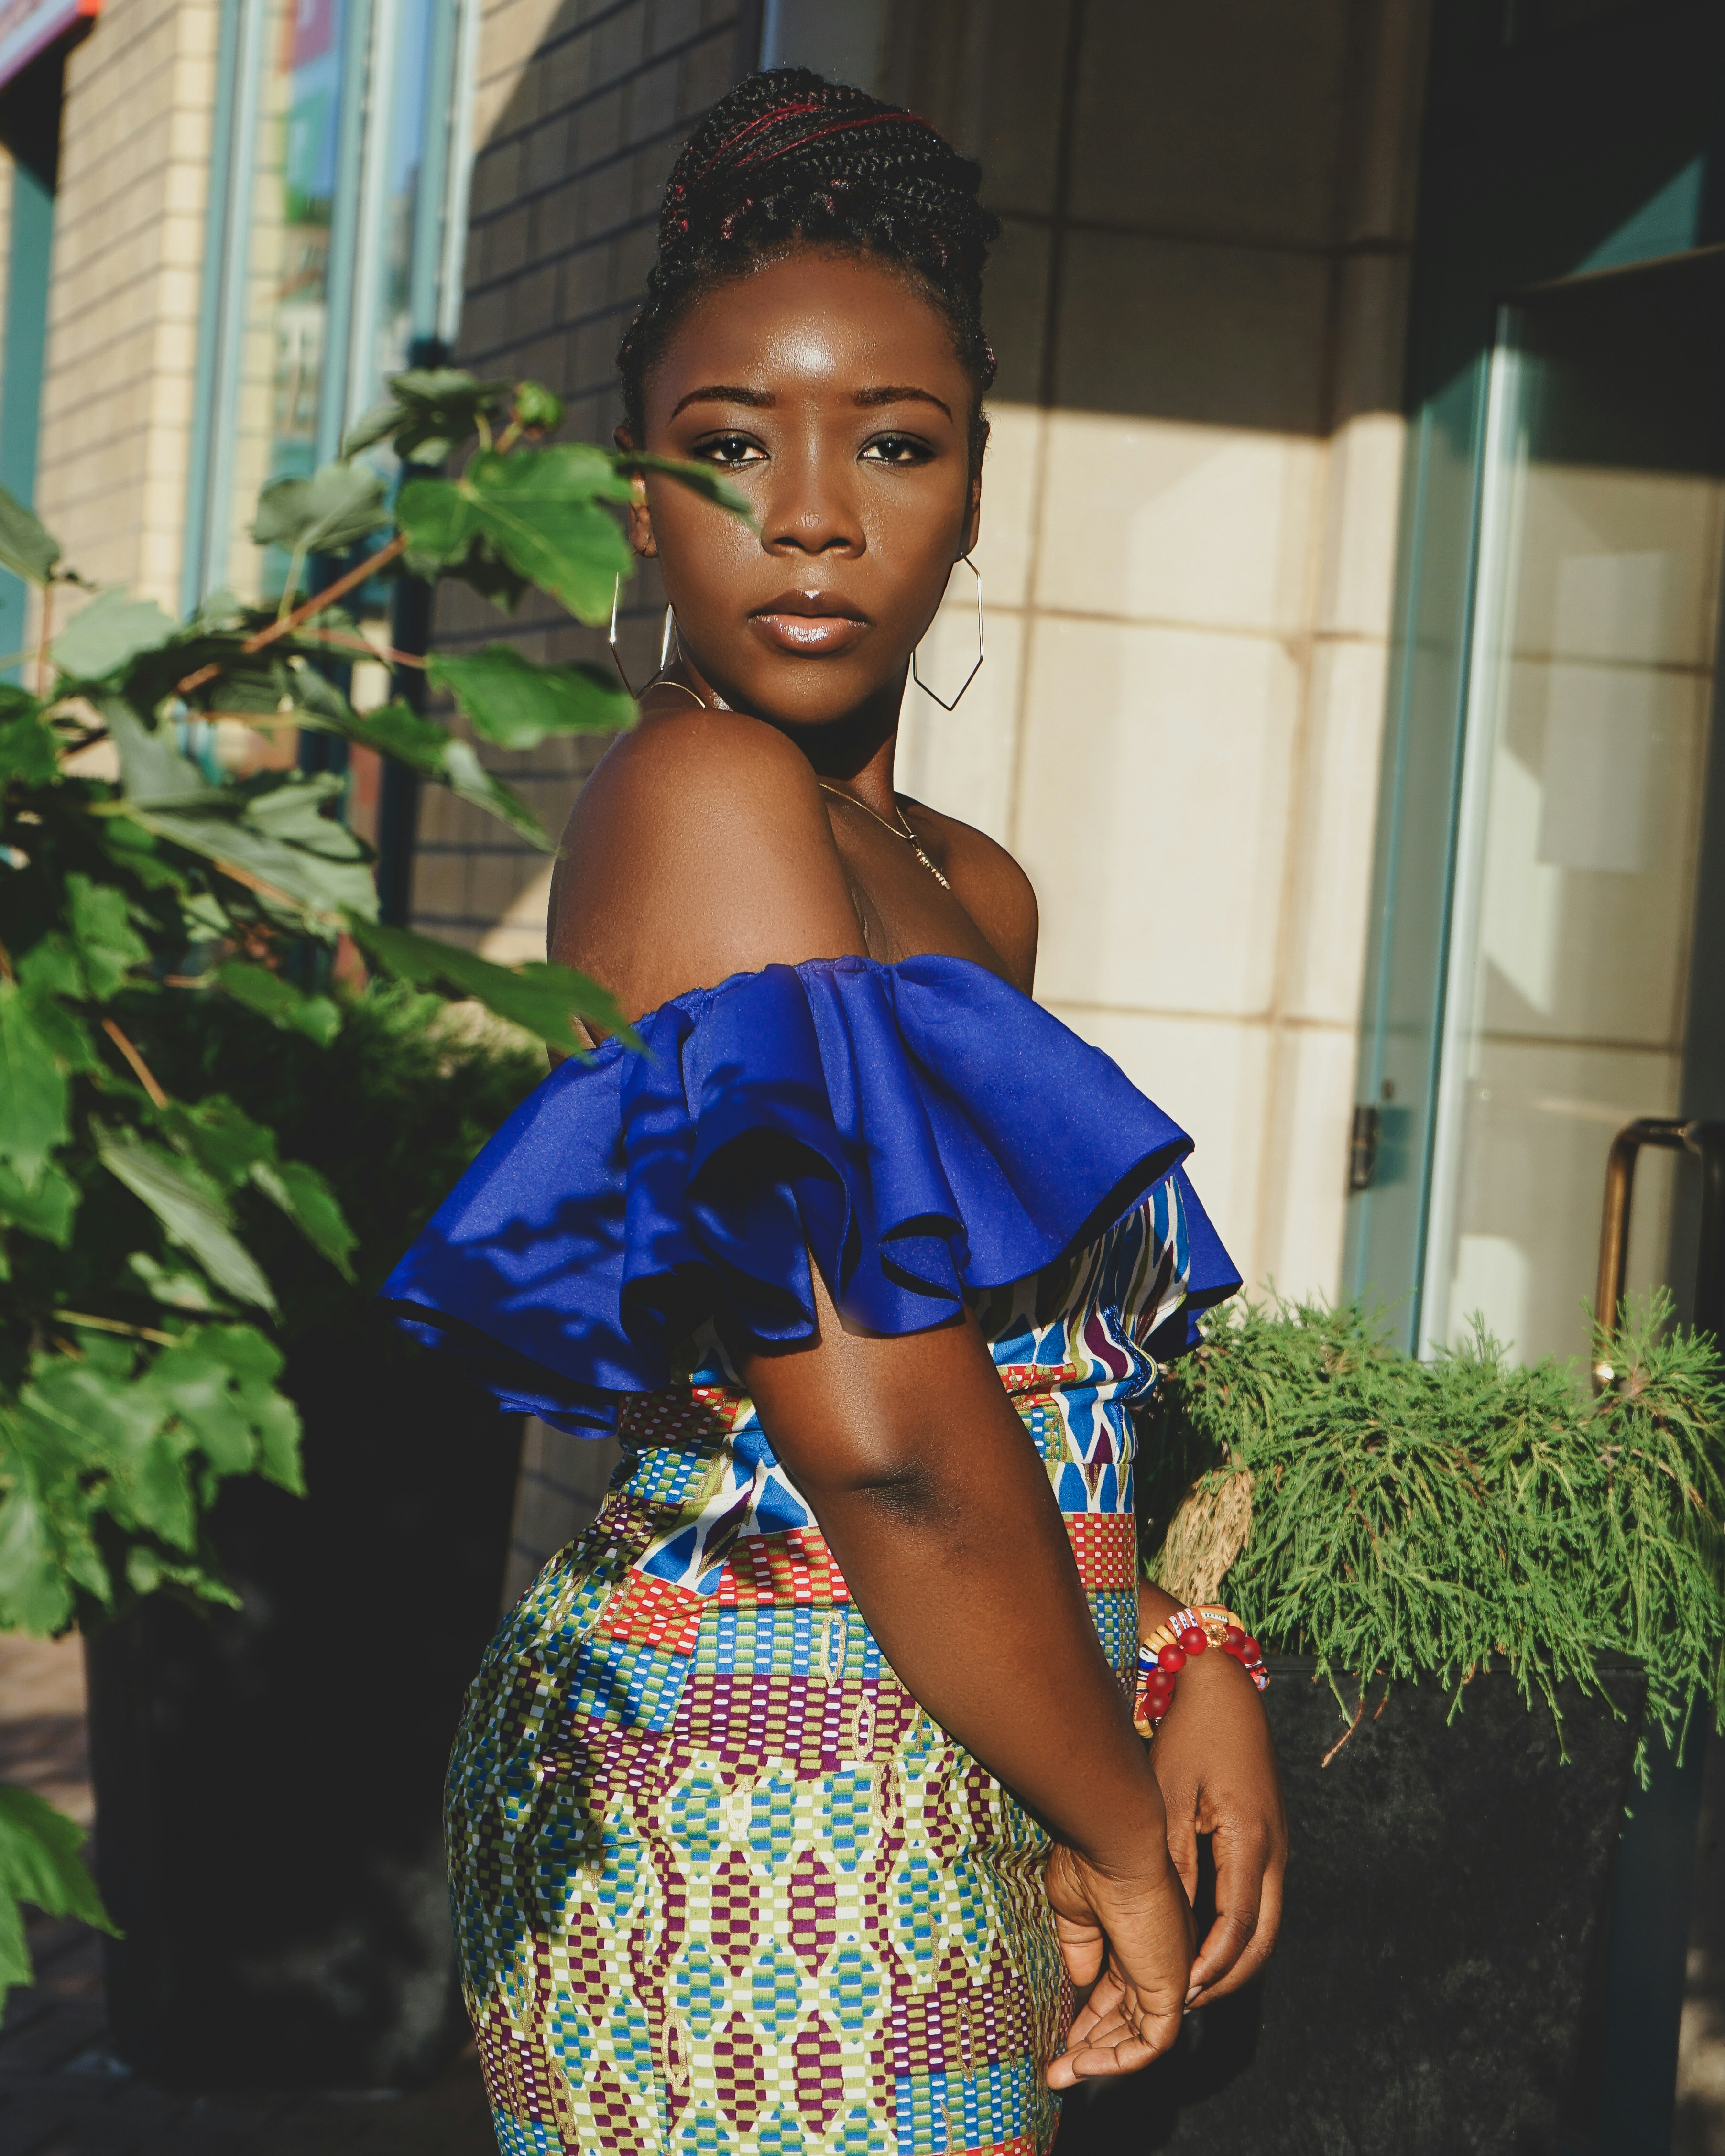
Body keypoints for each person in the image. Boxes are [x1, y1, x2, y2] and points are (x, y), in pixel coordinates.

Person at [382, 67, 1287, 2156]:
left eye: (894, 444)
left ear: (974, 492)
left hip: (979, 1731)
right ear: (635, 497)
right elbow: (878, 1435)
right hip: (738, 1770)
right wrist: (1122, 1826)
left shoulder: (974, 890)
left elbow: (1066, 1382)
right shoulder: (700, 805)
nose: (810, 513)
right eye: (727, 450)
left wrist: (1184, 1660)